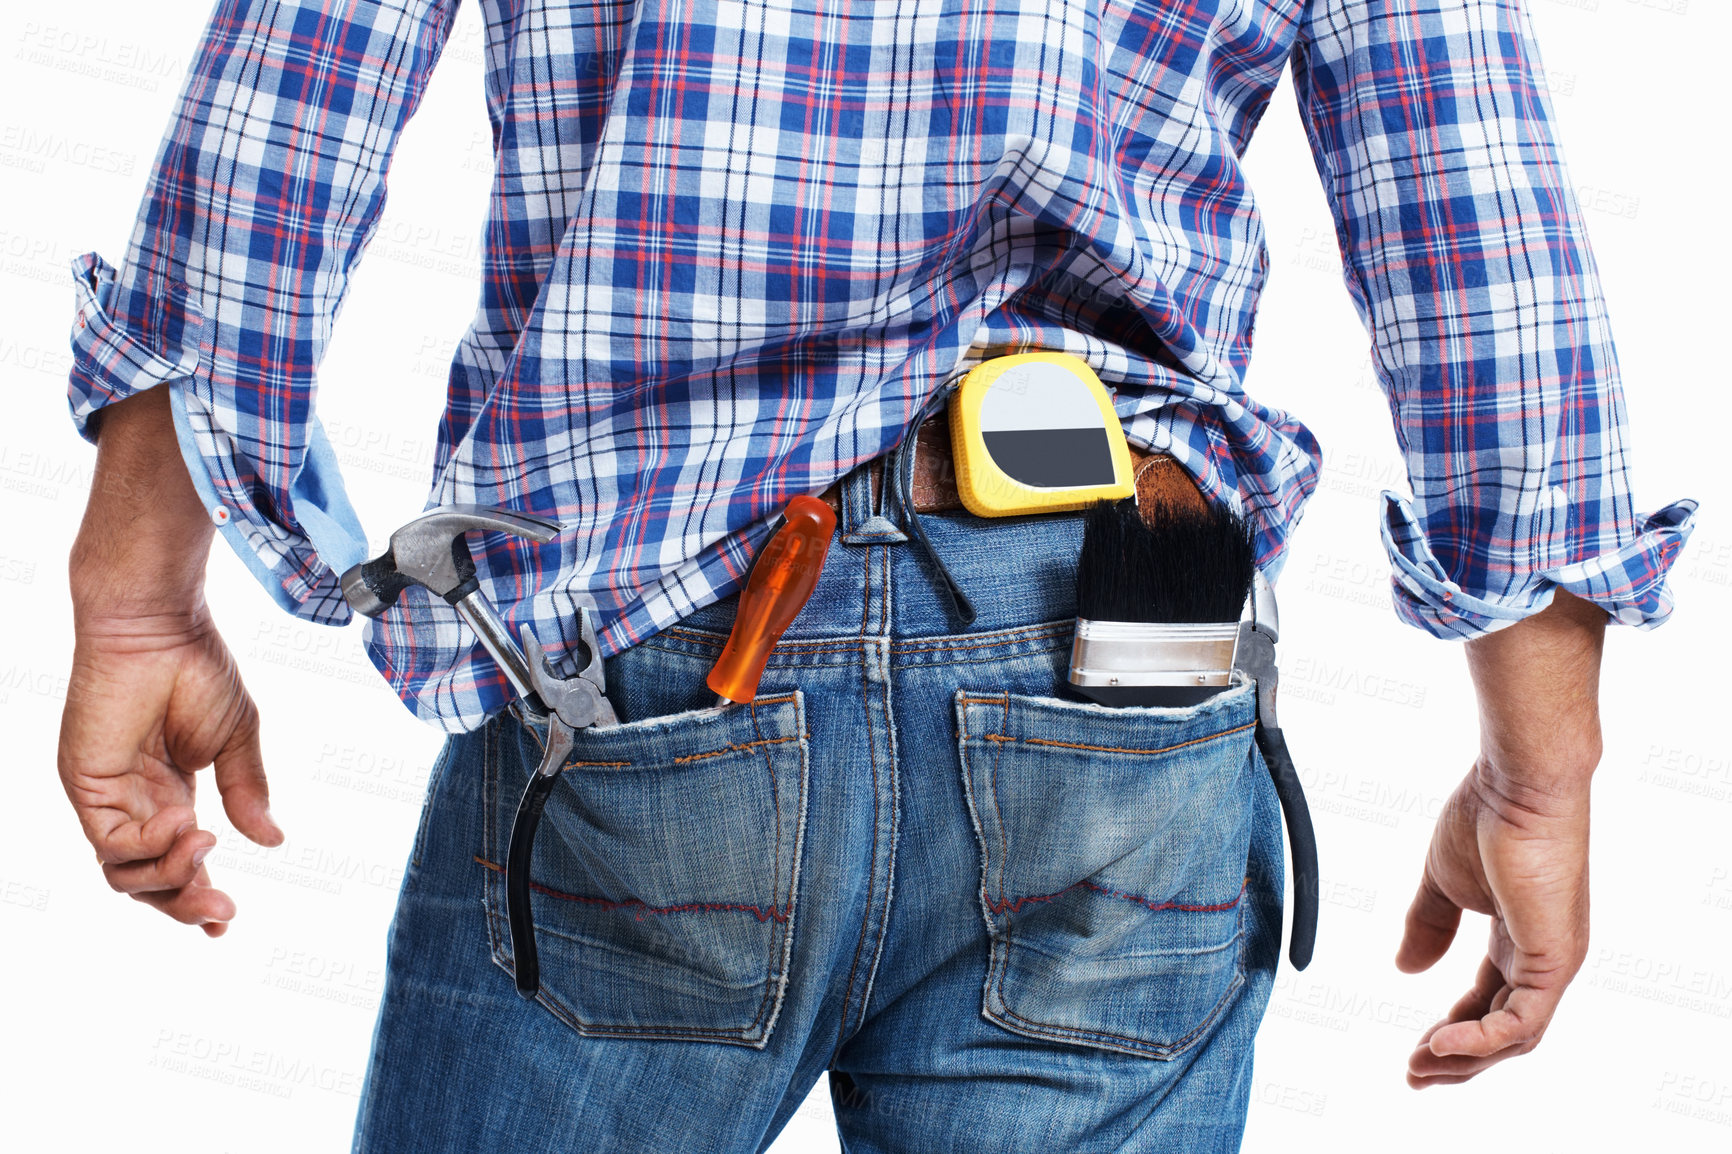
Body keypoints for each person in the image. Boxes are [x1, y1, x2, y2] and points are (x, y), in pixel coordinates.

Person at [56, 0, 1694, 1150]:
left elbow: (299, 87)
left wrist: (142, 583)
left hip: (647, 659)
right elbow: (1472, 206)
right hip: (1119, 665)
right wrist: (1536, 767)